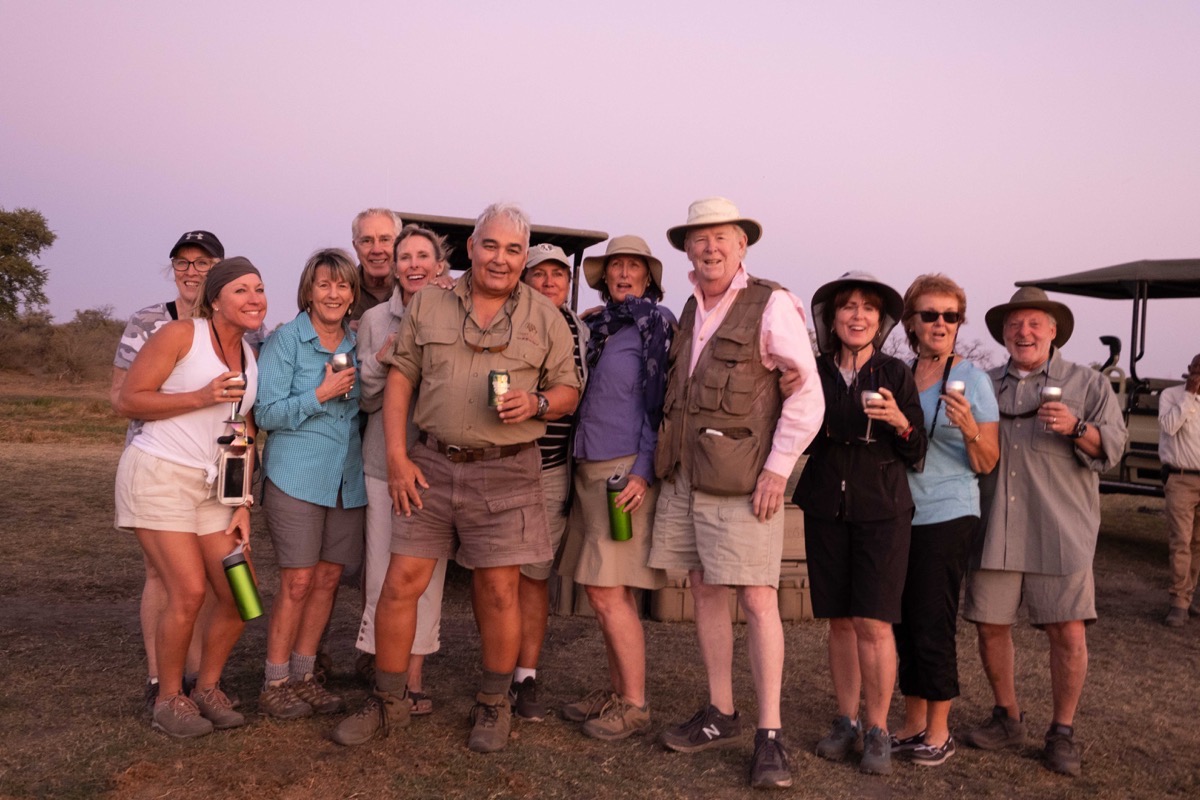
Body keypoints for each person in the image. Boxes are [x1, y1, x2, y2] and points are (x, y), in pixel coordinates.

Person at [332, 202, 581, 753]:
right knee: (400, 585)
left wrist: (538, 401)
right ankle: (388, 698)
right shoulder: (431, 305)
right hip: (433, 466)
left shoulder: (546, 317)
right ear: (471, 246)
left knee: (497, 594)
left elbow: (568, 390)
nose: (501, 258)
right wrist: (397, 457)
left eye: (514, 250)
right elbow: (401, 379)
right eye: (491, 245)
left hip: (509, 470)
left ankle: (494, 704)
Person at [650, 198, 823, 790]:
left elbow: (806, 393)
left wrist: (778, 469)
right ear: (687, 251)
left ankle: (769, 735)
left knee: (756, 598)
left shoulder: (772, 304)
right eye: (699, 240)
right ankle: (720, 712)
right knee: (702, 587)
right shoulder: (688, 309)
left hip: (745, 482)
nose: (710, 248)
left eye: (721, 238)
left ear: (742, 245)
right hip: (687, 477)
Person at [961, 286, 1126, 778]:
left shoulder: (1088, 383)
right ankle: (1007, 716)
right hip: (995, 529)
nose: (1023, 331)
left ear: (1053, 331)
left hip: (1060, 528)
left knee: (1067, 631)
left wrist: (1078, 428)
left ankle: (1062, 732)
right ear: (1004, 334)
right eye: (1015, 324)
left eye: (1034, 323)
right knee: (990, 626)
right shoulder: (983, 384)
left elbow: (1113, 448)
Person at [113, 257, 266, 738]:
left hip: (213, 490)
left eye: (259, 289)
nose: (254, 298)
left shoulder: (250, 357)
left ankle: (208, 688)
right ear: (216, 298)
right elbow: (128, 400)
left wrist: (241, 503)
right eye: (241, 290)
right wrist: (200, 396)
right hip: (159, 476)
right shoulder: (181, 336)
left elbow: (240, 428)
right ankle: (168, 698)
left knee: (243, 594)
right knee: (189, 590)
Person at [794, 271, 926, 776]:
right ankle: (845, 720)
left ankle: (877, 729)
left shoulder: (895, 374)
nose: (856, 314)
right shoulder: (812, 371)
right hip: (826, 505)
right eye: (846, 306)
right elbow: (801, 441)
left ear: (881, 321)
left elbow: (917, 451)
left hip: (883, 510)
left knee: (873, 621)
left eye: (868, 307)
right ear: (831, 318)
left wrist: (899, 421)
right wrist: (793, 400)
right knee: (841, 621)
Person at [555, 236, 671, 740]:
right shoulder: (598, 327)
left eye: (633, 267)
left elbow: (660, 404)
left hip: (623, 471)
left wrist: (644, 470)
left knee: (608, 590)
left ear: (648, 277)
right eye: (616, 267)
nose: (623, 274)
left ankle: (635, 703)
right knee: (603, 589)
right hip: (587, 464)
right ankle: (616, 691)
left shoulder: (656, 325)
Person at [112, 230, 226, 711]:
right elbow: (121, 397)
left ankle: (198, 673)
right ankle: (161, 678)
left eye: (203, 262)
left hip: (214, 470)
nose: (191, 270)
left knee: (207, 577)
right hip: (160, 460)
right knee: (164, 574)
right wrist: (192, 402)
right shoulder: (149, 322)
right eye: (183, 261)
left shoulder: (235, 323)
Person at [889, 274, 999, 766]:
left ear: (959, 323)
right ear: (911, 322)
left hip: (949, 512)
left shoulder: (972, 379)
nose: (940, 323)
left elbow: (988, 461)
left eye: (950, 316)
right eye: (929, 314)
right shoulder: (902, 373)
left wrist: (971, 428)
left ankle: (939, 730)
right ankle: (913, 725)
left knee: (932, 621)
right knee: (904, 623)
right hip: (899, 514)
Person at [253, 248, 366, 720]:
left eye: (342, 285)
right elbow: (265, 414)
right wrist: (319, 394)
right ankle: (275, 680)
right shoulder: (286, 342)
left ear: (352, 293)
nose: (333, 293)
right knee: (297, 581)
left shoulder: (358, 343)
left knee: (327, 579)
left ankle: (304, 675)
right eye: (324, 285)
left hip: (345, 478)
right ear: (308, 291)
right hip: (296, 475)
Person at [354, 224, 453, 714]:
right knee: (381, 575)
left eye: (422, 256)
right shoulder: (374, 319)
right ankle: (384, 681)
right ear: (393, 268)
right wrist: (384, 357)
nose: (413, 264)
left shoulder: (457, 310)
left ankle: (414, 677)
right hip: (382, 462)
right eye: (404, 257)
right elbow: (367, 397)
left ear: (439, 264)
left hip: (437, 463)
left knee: (425, 578)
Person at [508, 243, 590, 721]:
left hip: (553, 468)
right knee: (498, 577)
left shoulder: (581, 328)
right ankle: (497, 672)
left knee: (534, 576)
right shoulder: (508, 320)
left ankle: (526, 676)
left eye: (558, 275)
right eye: (540, 274)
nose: (550, 282)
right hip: (503, 463)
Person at [1160, 353, 1200, 626]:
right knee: (1181, 542)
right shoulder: (1171, 396)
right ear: (1190, 369)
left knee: (1198, 544)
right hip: (1181, 479)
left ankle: (1191, 597)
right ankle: (1178, 603)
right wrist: (1189, 395)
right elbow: (1169, 426)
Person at [348, 208, 402, 326]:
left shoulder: (415, 289)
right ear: (355, 246)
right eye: (367, 241)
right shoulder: (338, 292)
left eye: (385, 240)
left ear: (399, 243)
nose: (377, 250)